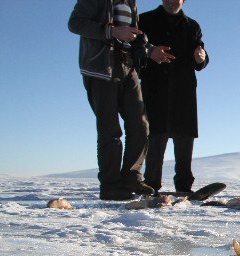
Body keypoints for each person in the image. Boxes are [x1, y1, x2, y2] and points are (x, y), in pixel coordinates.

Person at [69, 0, 175, 200]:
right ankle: (110, 185)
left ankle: (131, 177)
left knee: (140, 124)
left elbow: (130, 36)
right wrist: (112, 32)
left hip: (128, 67)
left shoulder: (130, 2)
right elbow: (75, 23)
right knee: (110, 130)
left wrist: (149, 49)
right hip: (100, 69)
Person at [139, 0, 209, 195]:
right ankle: (151, 183)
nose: (171, 1)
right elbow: (134, 48)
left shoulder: (192, 25)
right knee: (155, 134)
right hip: (155, 87)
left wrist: (201, 58)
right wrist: (149, 52)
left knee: (184, 137)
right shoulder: (145, 20)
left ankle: (184, 185)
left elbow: (201, 53)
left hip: (183, 89)